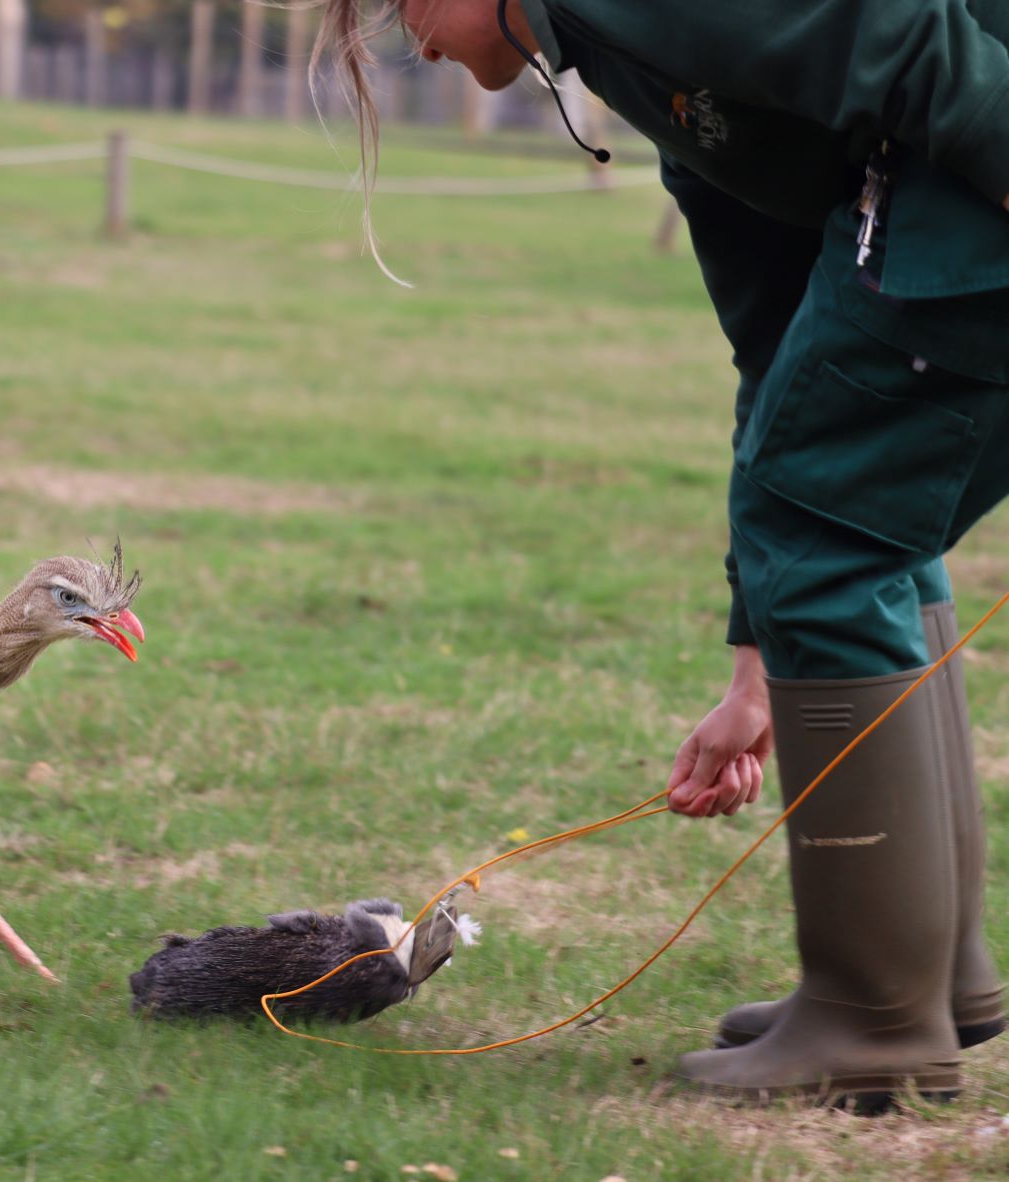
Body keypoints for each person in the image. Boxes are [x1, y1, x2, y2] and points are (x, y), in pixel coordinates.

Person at [318, 0, 1009, 1110]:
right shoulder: (623, 56)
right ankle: (932, 981)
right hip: (935, 200)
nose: (407, 34)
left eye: (398, 2)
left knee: (837, 539)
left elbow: (907, 38)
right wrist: (759, 661)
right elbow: (780, 344)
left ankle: (874, 1018)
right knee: (856, 523)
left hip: (973, 183)